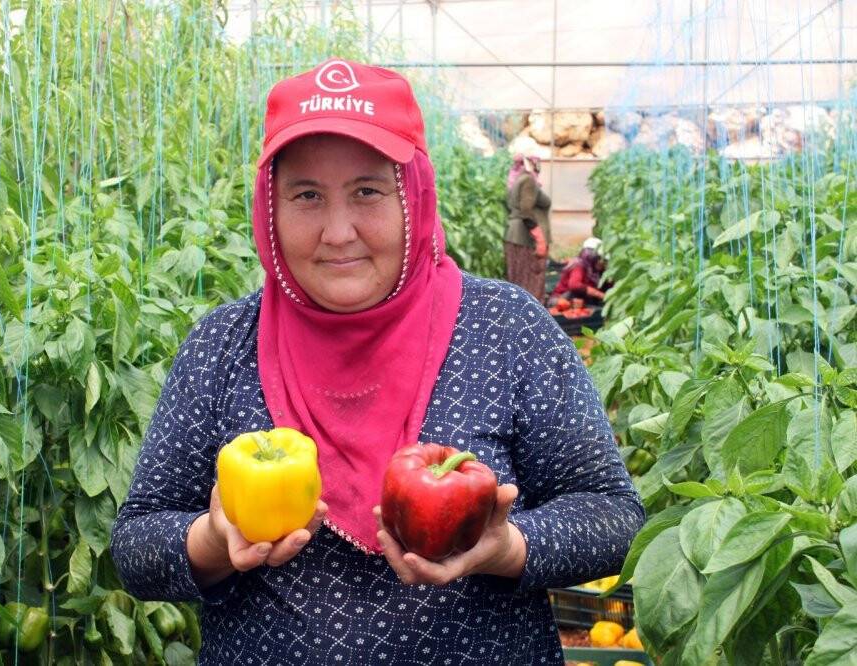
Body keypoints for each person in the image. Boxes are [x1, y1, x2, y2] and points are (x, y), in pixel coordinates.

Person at [111, 59, 644, 665]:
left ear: (413, 196)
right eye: (306, 195)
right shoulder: (223, 345)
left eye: (367, 191)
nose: (338, 232)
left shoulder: (505, 329)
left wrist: (511, 548)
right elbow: (135, 545)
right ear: (270, 207)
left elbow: (613, 516)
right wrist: (211, 540)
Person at [504, 152, 552, 300]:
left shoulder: (518, 180)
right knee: (531, 286)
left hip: (516, 236)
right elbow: (526, 211)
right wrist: (540, 239)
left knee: (519, 285)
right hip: (526, 240)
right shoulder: (528, 181)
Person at [549, 237, 608, 304]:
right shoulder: (578, 265)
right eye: (599, 259)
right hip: (561, 299)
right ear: (592, 257)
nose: (602, 262)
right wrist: (600, 295)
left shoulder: (594, 270)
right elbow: (574, 285)